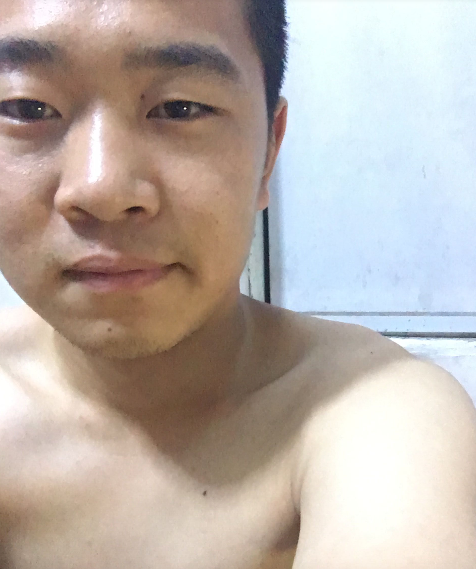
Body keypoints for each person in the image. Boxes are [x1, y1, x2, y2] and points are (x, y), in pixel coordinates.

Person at [0, 0, 475, 567]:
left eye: (179, 108)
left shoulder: (376, 416)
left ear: (269, 151)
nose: (101, 188)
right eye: (27, 107)